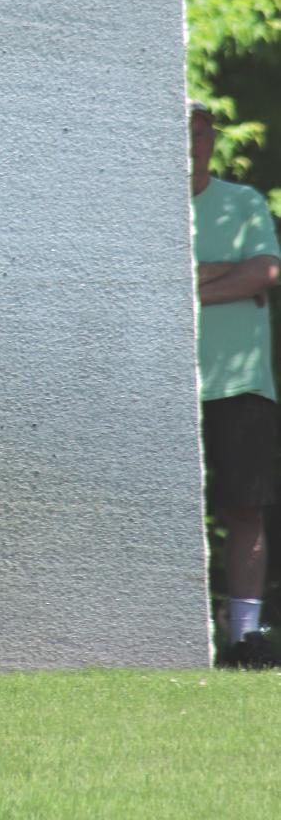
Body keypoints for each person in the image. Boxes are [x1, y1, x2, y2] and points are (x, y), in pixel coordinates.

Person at [191, 102, 281, 665]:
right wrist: (228, 274)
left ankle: (244, 637)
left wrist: (184, 284)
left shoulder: (243, 203)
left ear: (213, 141)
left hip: (241, 385)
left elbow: (265, 272)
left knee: (245, 509)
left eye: (202, 135)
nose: (192, 145)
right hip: (163, 386)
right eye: (182, 135)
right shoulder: (142, 212)